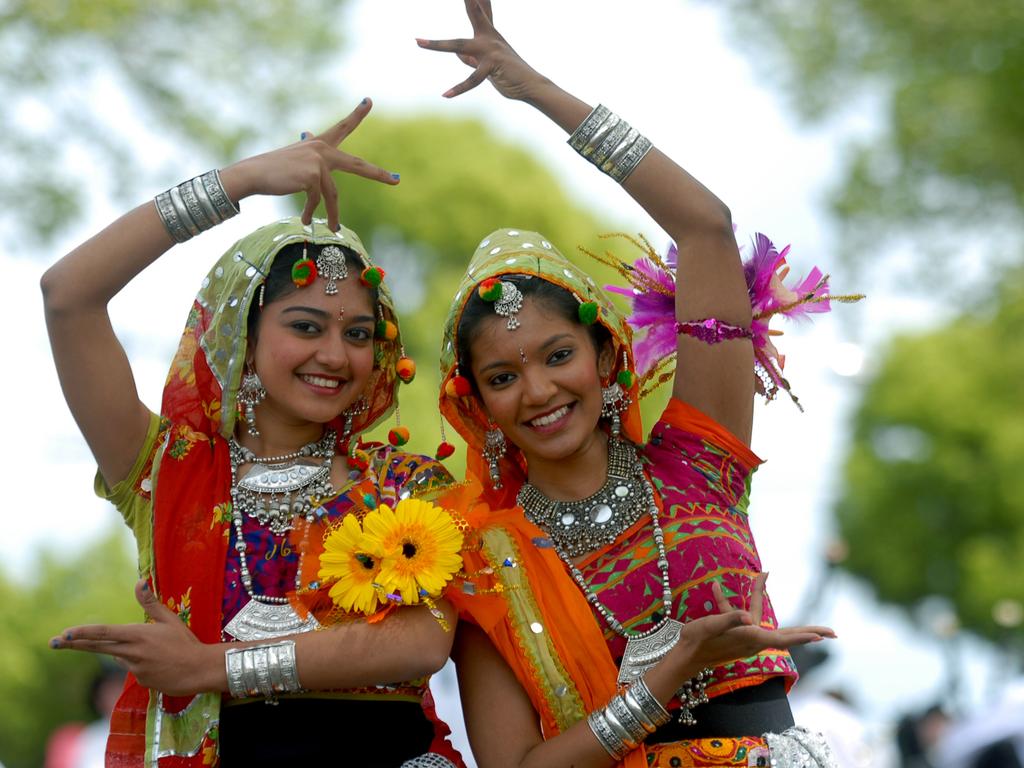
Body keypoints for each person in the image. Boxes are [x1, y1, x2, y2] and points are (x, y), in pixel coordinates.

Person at [420, 2, 848, 766]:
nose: (540, 391)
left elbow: (706, 228)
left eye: (557, 356)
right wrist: (663, 683)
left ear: (607, 358)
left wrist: (538, 89)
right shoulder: (482, 560)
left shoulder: (697, 462)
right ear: (476, 404)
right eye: (502, 376)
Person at [42, 101, 464, 767]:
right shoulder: (166, 470)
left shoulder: (404, 482)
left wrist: (213, 668)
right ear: (240, 335)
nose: (336, 354)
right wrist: (237, 182)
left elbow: (418, 644)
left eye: (358, 333)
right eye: (305, 326)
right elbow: (68, 294)